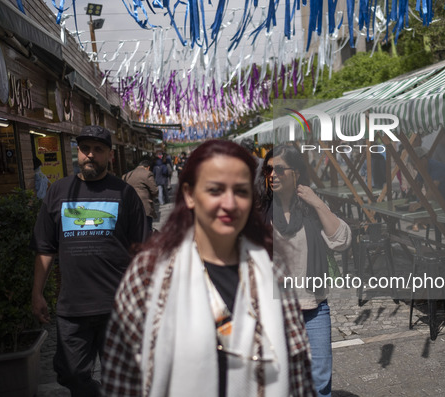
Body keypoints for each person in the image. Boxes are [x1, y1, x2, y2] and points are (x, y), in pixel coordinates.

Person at [101, 140, 315, 396]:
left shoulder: (271, 268)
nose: (229, 203)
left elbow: (297, 367)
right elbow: (121, 378)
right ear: (190, 195)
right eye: (215, 190)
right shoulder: (149, 273)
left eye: (241, 191)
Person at [30, 125, 149, 396]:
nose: (90, 155)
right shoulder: (58, 191)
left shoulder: (124, 193)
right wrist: (37, 293)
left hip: (117, 307)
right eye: (85, 149)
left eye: (98, 149)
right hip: (73, 308)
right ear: (77, 152)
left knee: (123, 378)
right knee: (70, 374)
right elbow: (45, 248)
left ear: (109, 155)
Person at [261, 144, 352, 397]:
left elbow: (342, 240)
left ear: (296, 173)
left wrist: (318, 202)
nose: (273, 174)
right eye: (269, 170)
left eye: (279, 169)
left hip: (314, 308)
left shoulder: (311, 210)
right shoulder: (261, 212)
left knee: (320, 380)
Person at [408, 146, 445, 212]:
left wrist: (421, 204)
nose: (414, 168)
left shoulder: (437, 167)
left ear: (423, 159)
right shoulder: (422, 169)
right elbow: (418, 186)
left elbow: (433, 188)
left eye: (414, 164)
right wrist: (415, 200)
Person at [122, 157, 158, 233]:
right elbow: (155, 190)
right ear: (148, 167)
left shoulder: (126, 175)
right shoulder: (147, 174)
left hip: (130, 207)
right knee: (147, 229)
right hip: (144, 206)